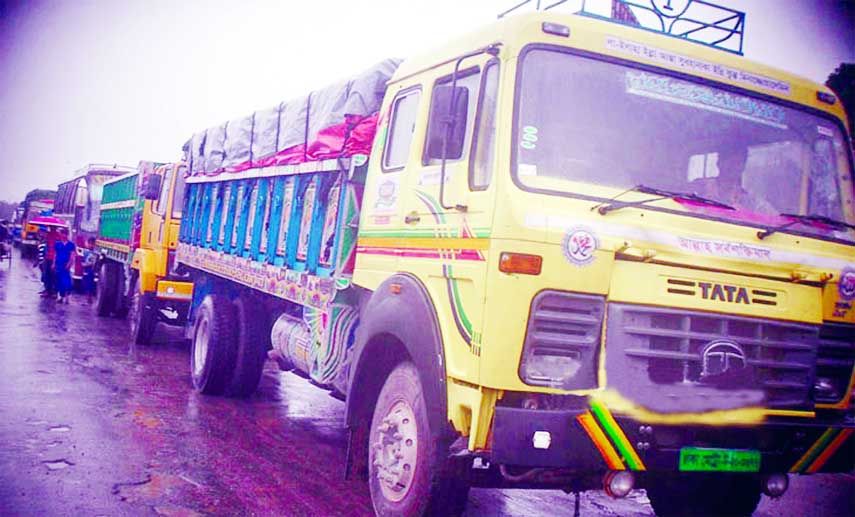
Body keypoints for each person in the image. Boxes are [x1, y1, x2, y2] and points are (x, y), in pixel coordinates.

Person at [694, 144, 776, 215]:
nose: (732, 166)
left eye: (738, 162)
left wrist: (743, 213)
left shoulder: (752, 202)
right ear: (719, 162)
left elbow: (776, 221)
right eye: (729, 160)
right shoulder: (699, 189)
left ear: (743, 166)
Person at [53, 228, 76, 303]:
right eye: (62, 234)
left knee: (66, 281)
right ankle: (61, 296)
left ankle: (67, 295)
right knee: (59, 280)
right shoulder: (57, 244)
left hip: (66, 265)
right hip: (58, 264)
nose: (64, 236)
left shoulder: (71, 245)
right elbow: (55, 254)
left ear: (67, 235)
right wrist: (53, 263)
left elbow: (72, 255)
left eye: (65, 234)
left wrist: (69, 263)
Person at [81, 237, 98, 302]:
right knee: (85, 284)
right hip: (85, 270)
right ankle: (87, 297)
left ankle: (89, 298)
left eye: (92, 244)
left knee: (90, 284)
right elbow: (82, 261)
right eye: (89, 243)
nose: (90, 245)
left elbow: (94, 263)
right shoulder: (85, 252)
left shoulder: (95, 253)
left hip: (91, 271)